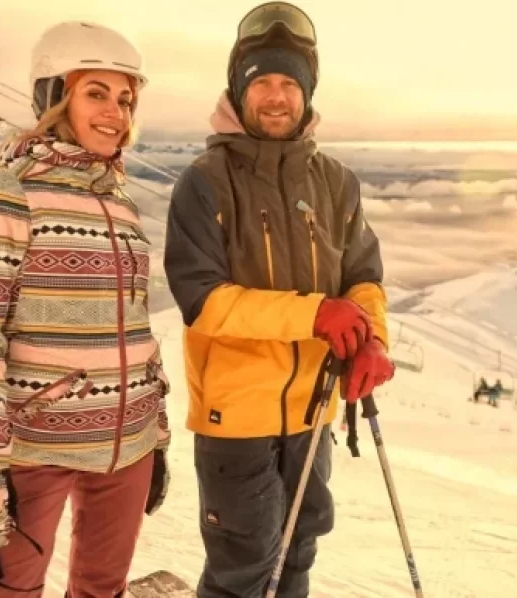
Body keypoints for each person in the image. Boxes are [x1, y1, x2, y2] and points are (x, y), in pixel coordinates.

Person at [163, 3, 395, 596]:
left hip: (313, 412)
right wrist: (314, 314)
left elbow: (363, 276)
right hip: (237, 418)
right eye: (261, 82)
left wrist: (369, 339)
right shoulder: (205, 181)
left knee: (298, 556)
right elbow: (205, 299)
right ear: (238, 91)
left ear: (307, 92)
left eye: (288, 83)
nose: (275, 97)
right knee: (243, 569)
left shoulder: (336, 181)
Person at [0, 20, 171, 598]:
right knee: (5, 591)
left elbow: (134, 327)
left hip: (128, 443)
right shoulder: (2, 192)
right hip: (35, 447)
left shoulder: (118, 202)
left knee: (102, 588)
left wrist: (157, 432)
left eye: (125, 99)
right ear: (53, 97)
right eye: (96, 93)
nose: (116, 113)